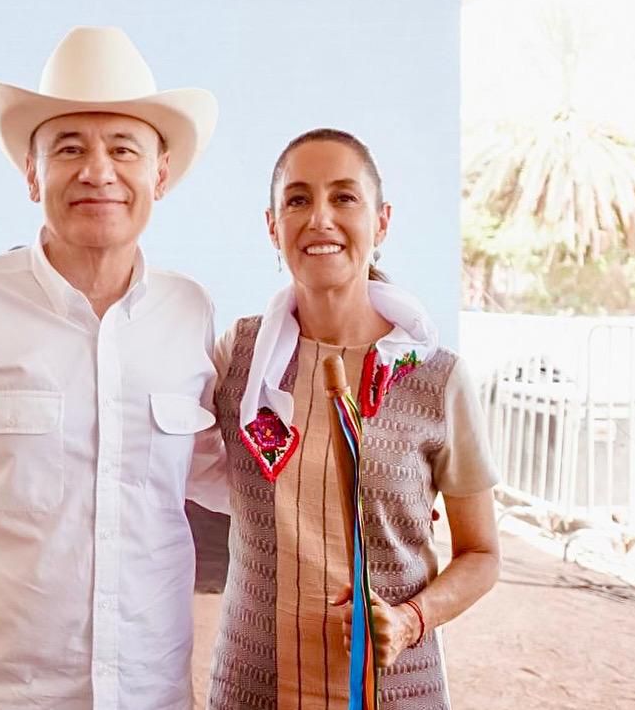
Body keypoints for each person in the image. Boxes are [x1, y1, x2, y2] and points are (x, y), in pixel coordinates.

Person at [0, 26, 229, 710]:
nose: (98, 171)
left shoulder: (190, 311)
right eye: (69, 148)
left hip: (148, 691)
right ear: (32, 174)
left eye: (124, 148)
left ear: (160, 174)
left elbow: (216, 472)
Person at [207, 128, 500, 709]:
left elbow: (482, 554)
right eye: (297, 200)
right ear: (273, 227)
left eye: (344, 197)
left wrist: (411, 619)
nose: (320, 218)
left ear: (381, 222)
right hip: (252, 685)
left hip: (393, 691)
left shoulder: (436, 377)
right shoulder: (237, 358)